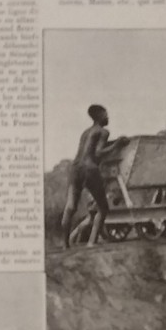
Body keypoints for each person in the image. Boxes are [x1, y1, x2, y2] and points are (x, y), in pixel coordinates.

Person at [60, 105, 129, 248]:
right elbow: (98, 153)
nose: (108, 117)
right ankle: (92, 242)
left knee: (70, 207)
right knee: (103, 208)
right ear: (99, 116)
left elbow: (87, 151)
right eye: (106, 115)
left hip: (75, 169)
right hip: (90, 169)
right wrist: (117, 144)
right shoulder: (103, 132)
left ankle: (65, 244)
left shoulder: (85, 132)